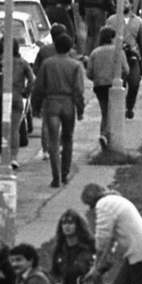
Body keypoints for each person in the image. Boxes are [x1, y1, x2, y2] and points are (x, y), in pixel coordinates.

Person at [32, 32, 87, 187]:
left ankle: (55, 176)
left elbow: (39, 88)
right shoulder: (75, 65)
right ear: (70, 48)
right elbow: (78, 90)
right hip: (68, 103)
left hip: (51, 103)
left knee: (53, 142)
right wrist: (80, 109)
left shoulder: (47, 64)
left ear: (55, 46)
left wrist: (36, 107)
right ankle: (65, 173)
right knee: (68, 139)